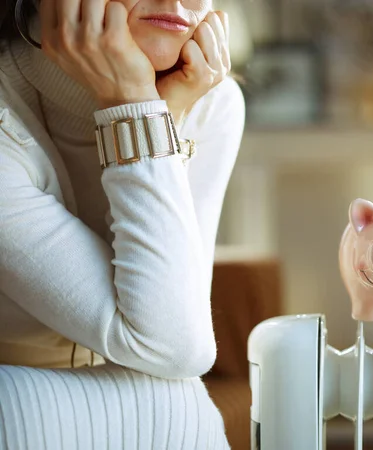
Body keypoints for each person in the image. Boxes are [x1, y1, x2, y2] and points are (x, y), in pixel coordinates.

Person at [0, 0, 244, 446]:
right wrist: (132, 105)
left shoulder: (211, 102)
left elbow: (173, 341)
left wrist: (154, 115)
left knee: (176, 405)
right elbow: (170, 347)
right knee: (177, 407)